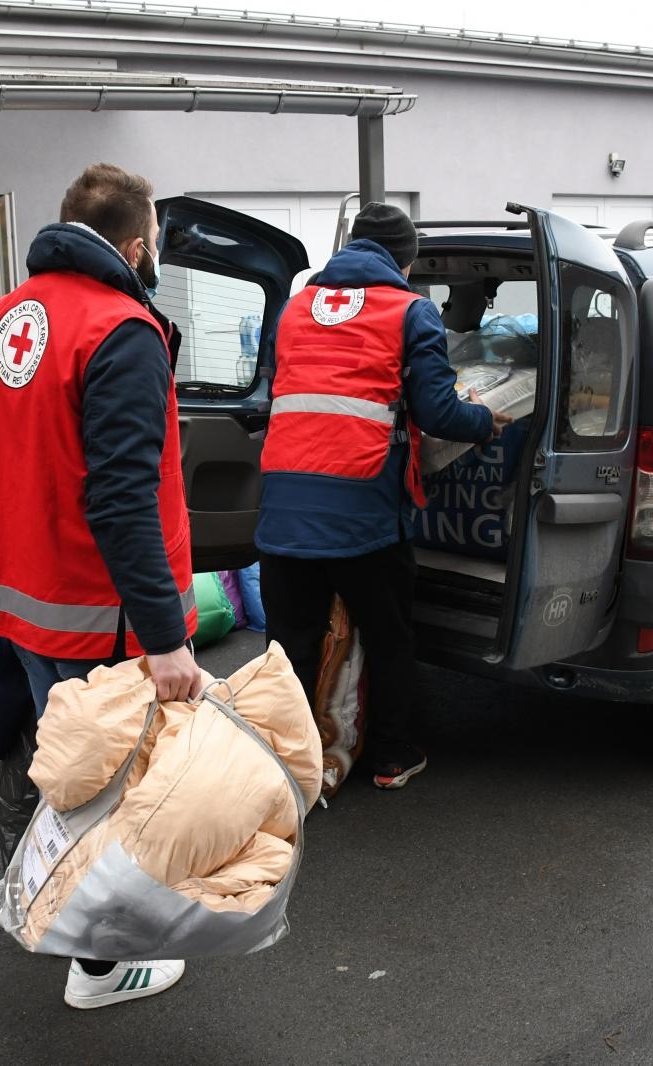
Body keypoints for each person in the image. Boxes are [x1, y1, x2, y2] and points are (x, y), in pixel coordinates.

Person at [0, 162, 198, 1009]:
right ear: (133, 243)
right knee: (100, 778)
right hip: (90, 606)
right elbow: (122, 498)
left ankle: (28, 889)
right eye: (154, 242)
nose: (154, 256)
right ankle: (98, 963)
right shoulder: (121, 329)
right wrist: (166, 638)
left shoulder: (6, 318)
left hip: (15, 589)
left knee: (44, 747)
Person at [255, 202, 510, 791]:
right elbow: (438, 412)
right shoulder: (410, 311)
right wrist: (485, 422)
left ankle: (278, 768)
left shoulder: (294, 311)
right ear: (406, 260)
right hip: (363, 514)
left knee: (288, 645)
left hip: (285, 509)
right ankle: (392, 757)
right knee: (389, 635)